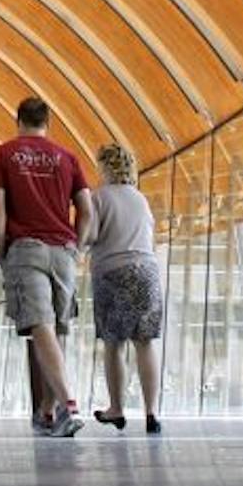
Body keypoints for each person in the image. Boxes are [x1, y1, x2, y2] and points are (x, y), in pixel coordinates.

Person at [0, 95, 91, 438]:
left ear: (18, 120)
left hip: (26, 249)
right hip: (63, 250)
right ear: (48, 122)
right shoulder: (68, 157)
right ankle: (47, 410)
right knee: (57, 330)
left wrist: (2, 253)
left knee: (42, 326)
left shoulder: (2, 155)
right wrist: (77, 247)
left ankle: (68, 404)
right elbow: (87, 211)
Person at [86, 143, 164, 435]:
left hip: (113, 272)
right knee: (145, 342)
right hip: (146, 272)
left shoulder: (99, 197)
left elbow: (91, 234)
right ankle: (151, 412)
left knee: (114, 343)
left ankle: (117, 408)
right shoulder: (140, 199)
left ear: (104, 168)